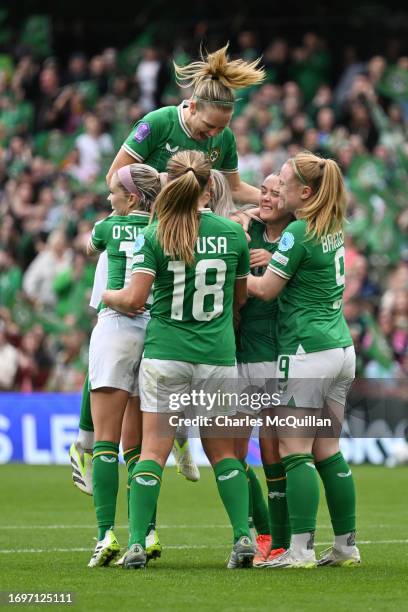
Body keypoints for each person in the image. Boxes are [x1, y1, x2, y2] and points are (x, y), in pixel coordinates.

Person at [103, 150, 254, 570]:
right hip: (217, 356)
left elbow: (133, 300)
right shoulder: (233, 234)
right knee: (224, 452)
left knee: (152, 449)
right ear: (210, 187)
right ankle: (243, 538)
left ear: (169, 184)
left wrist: (105, 296)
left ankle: (136, 543)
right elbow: (240, 299)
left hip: (166, 354)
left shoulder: (155, 235)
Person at [247, 151, 360, 568]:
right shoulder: (332, 225)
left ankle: (298, 551)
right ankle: (346, 545)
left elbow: (265, 291)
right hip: (340, 349)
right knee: (328, 450)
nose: (278, 185)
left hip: (305, 352)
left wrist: (232, 265)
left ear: (305, 192)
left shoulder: (298, 231)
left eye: (285, 181)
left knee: (295, 452)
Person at [86, 163, 161, 567]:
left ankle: (104, 535)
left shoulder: (107, 226)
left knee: (105, 442)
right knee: (138, 445)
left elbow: (89, 245)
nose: (108, 197)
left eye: (115, 191)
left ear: (131, 197)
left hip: (116, 327)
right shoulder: (165, 228)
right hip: (155, 332)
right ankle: (145, 533)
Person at [106, 44, 265, 204]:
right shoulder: (159, 122)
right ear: (193, 106)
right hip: (150, 219)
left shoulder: (226, 138)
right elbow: (114, 176)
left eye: (222, 127)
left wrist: (269, 200)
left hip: (194, 221)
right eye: (209, 125)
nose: (214, 133)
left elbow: (234, 189)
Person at [235, 174, 294, 566]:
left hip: (276, 353)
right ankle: (259, 533)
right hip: (237, 352)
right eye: (266, 192)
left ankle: (283, 540)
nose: (269, 197)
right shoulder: (246, 228)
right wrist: (239, 220)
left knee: (274, 453)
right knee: (232, 454)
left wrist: (274, 261)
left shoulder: (297, 238)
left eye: (277, 192)